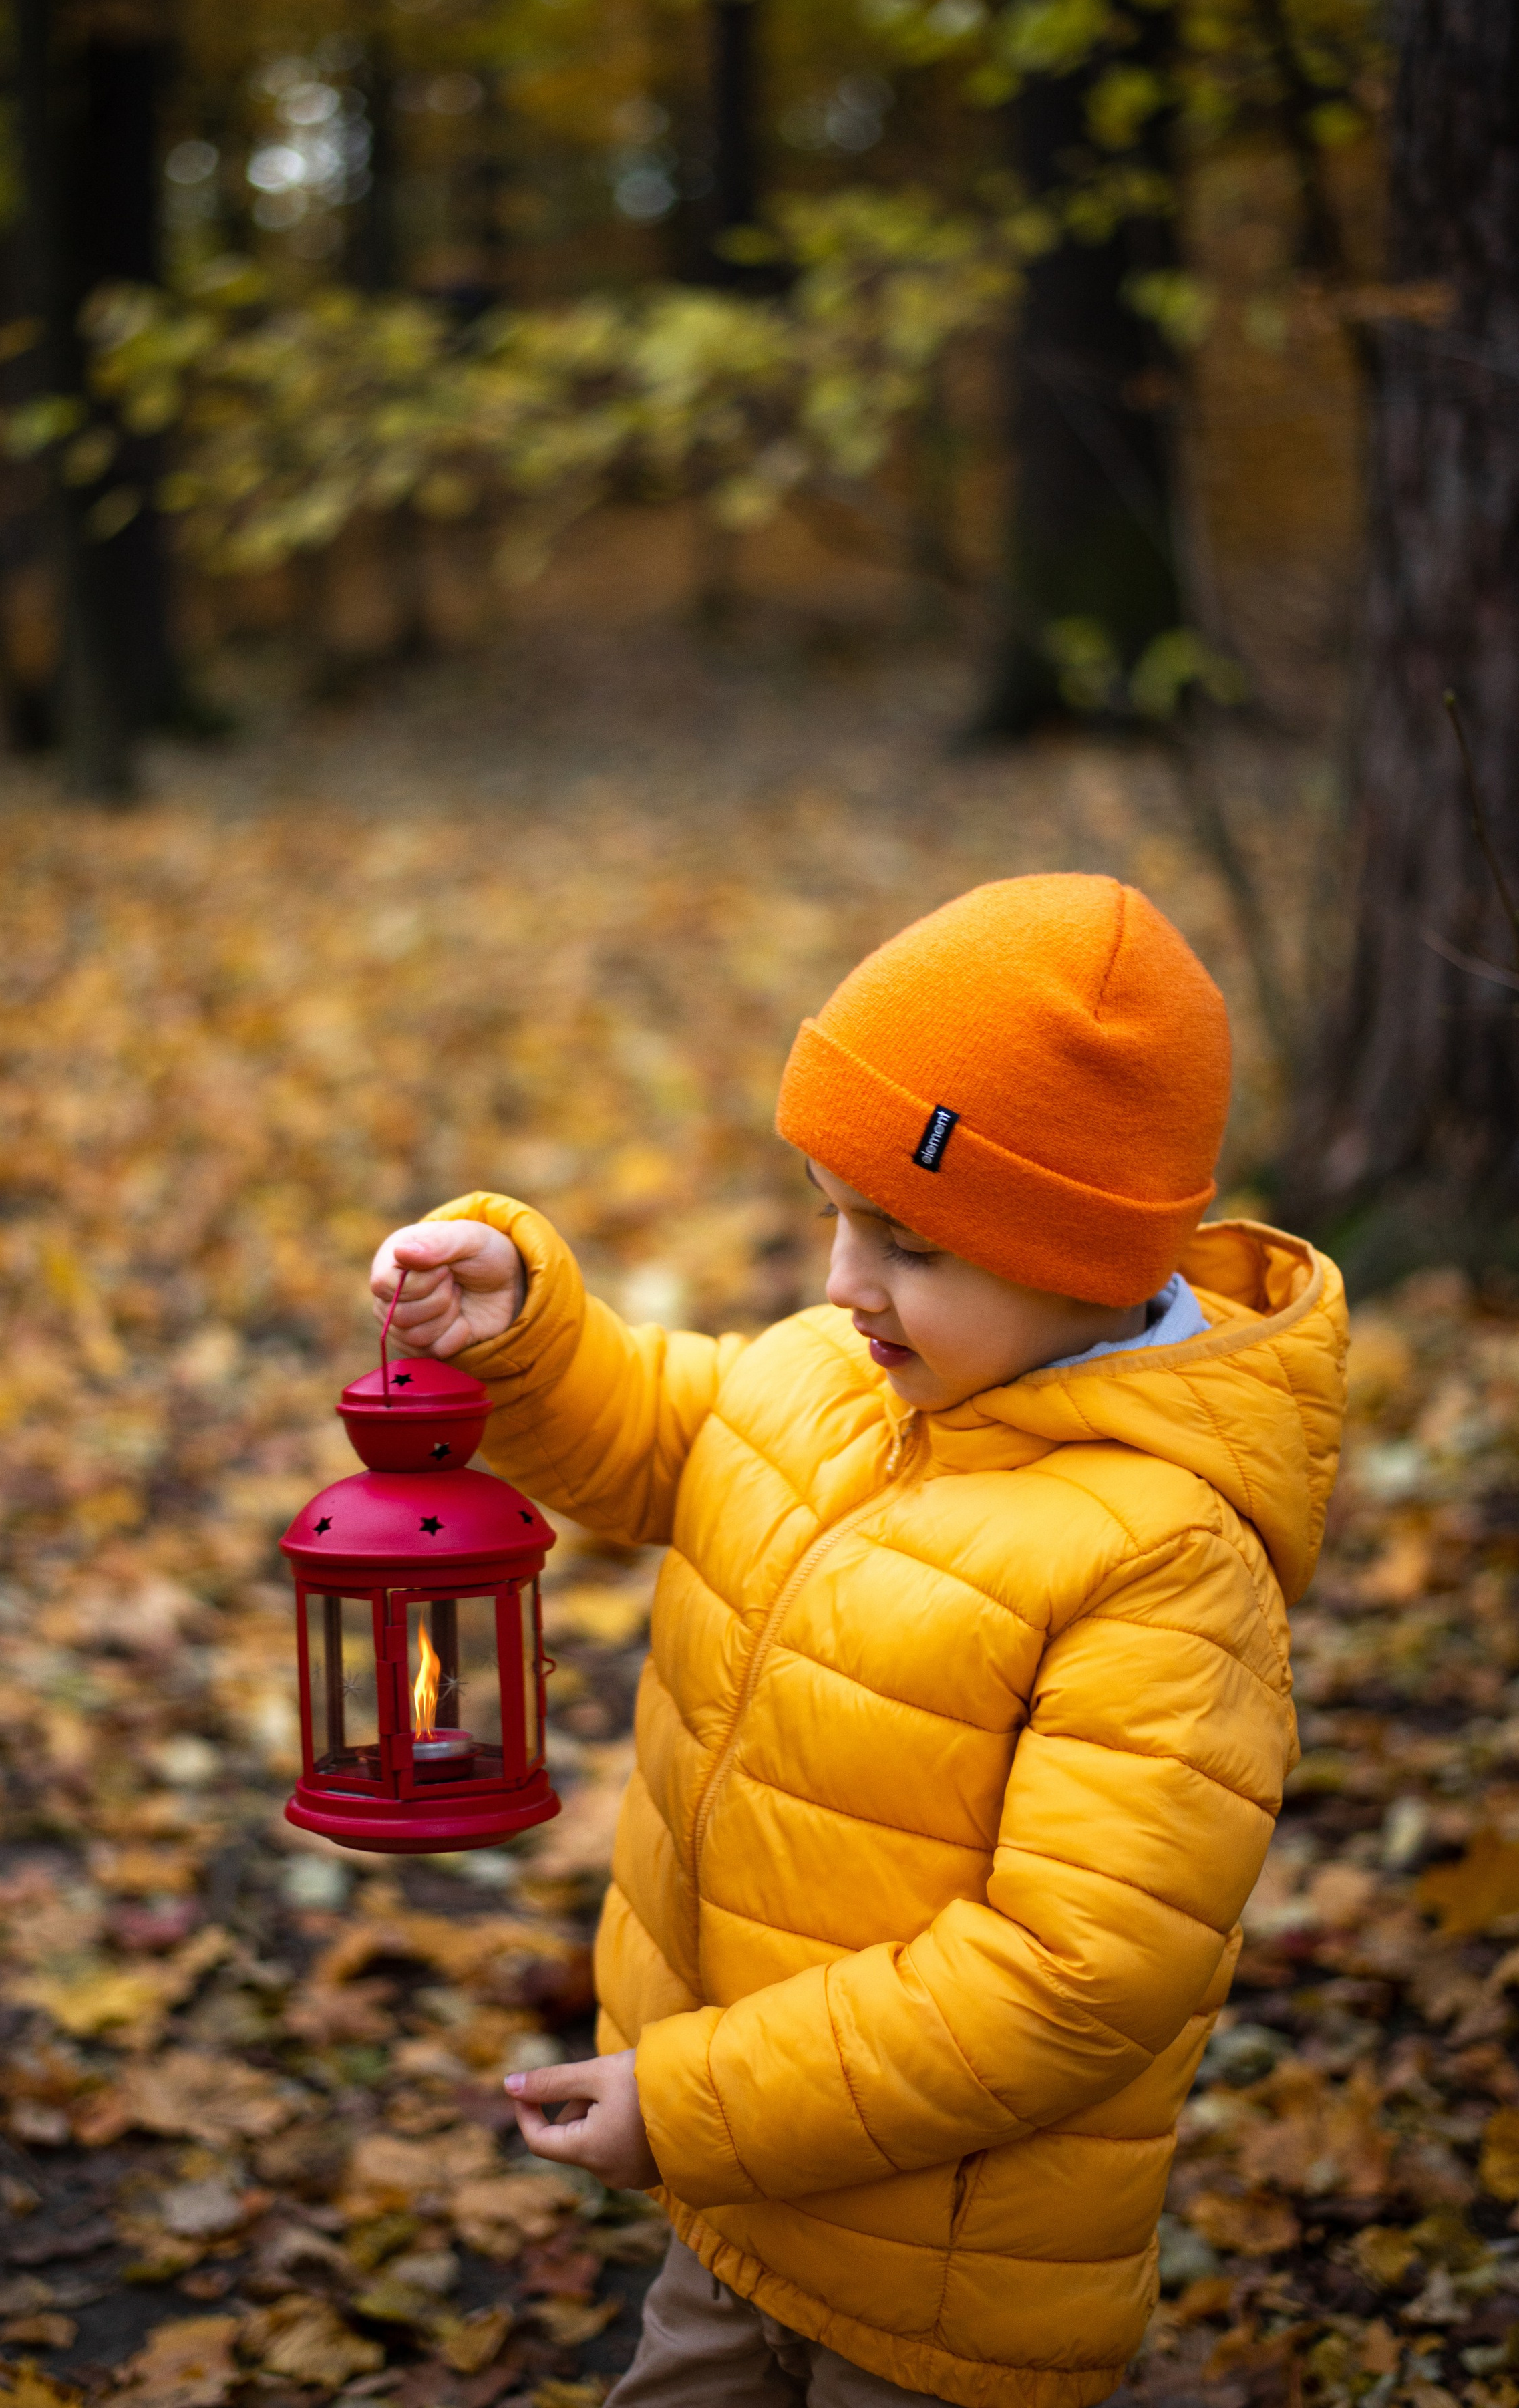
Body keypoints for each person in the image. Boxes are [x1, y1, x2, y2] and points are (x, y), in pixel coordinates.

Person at [369, 873, 1347, 2408]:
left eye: (910, 1244)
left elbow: (1068, 1977)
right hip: (737, 2195)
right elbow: (662, 1440)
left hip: (946, 2287)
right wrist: (524, 1336)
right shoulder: (838, 1372)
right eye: (831, 1215)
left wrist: (689, 2104)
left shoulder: (1160, 1559)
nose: (840, 1283)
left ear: (1080, 1257)